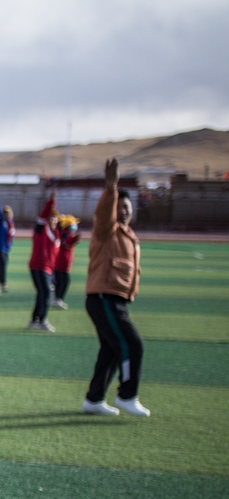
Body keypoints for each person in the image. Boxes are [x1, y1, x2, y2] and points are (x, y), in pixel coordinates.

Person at [82, 158, 149, 417]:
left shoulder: (128, 235)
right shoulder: (106, 230)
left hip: (114, 299)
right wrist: (111, 187)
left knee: (111, 349)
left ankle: (94, 399)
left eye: (127, 207)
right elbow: (104, 214)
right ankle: (127, 395)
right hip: (104, 298)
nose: (123, 211)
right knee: (133, 345)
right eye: (119, 207)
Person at [29, 193, 60, 332]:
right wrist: (51, 201)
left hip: (48, 268)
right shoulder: (41, 230)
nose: (52, 220)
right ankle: (41, 319)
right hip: (38, 266)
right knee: (46, 293)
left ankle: (35, 319)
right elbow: (42, 216)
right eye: (50, 217)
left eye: (55, 218)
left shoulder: (56, 234)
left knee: (42, 293)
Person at [53, 215, 81, 309]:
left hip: (64, 263)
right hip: (61, 263)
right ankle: (57, 299)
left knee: (62, 281)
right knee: (63, 281)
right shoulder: (65, 233)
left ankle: (57, 298)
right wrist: (75, 239)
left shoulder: (67, 233)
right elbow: (67, 242)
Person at [0, 201, 15, 295]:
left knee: (0, 266)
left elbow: (10, 236)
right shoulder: (2, 222)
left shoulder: (11, 224)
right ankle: (3, 282)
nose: (7, 214)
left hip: (6, 248)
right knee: (3, 264)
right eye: (5, 213)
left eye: (9, 213)